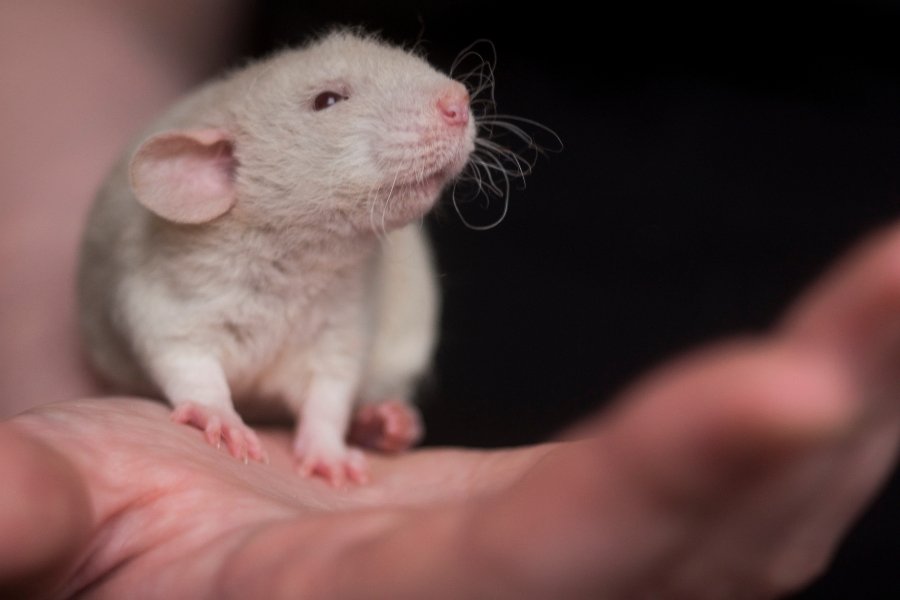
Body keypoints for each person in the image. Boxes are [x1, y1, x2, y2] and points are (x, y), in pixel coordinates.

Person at [2, 2, 899, 598]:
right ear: (218, 169)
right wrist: (164, 388)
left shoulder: (360, 250)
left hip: (801, 330)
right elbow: (159, 304)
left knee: (366, 321)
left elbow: (333, 337)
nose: (455, 103)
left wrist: (322, 426)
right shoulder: (193, 197)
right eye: (328, 100)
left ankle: (369, 411)